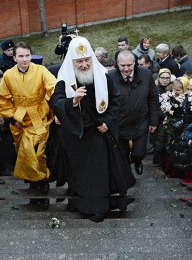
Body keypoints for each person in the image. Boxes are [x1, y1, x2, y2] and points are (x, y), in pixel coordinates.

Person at [50, 37, 136, 222]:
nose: (83, 65)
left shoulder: (102, 76)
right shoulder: (65, 78)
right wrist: (72, 101)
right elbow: (55, 102)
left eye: (86, 60)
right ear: (72, 62)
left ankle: (98, 208)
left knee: (97, 174)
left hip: (98, 134)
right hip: (76, 135)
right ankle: (79, 204)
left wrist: (108, 121)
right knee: (79, 174)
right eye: (79, 61)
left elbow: (116, 102)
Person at [0, 42, 57, 207]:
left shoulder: (41, 70)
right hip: (20, 120)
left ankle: (42, 183)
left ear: (31, 55)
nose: (24, 59)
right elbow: (2, 98)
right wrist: (11, 117)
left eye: (27, 55)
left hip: (39, 116)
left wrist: (57, 106)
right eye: (21, 56)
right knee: (24, 153)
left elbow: (53, 88)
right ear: (14, 58)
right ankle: (33, 187)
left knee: (38, 151)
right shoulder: (8, 75)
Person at [108, 50, 159, 175]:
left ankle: (137, 161)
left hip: (140, 122)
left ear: (134, 63)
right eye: (122, 66)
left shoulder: (146, 75)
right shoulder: (110, 77)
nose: (126, 69)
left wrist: (154, 121)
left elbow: (153, 98)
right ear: (117, 64)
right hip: (120, 123)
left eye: (129, 65)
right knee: (122, 154)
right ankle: (127, 177)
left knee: (139, 153)